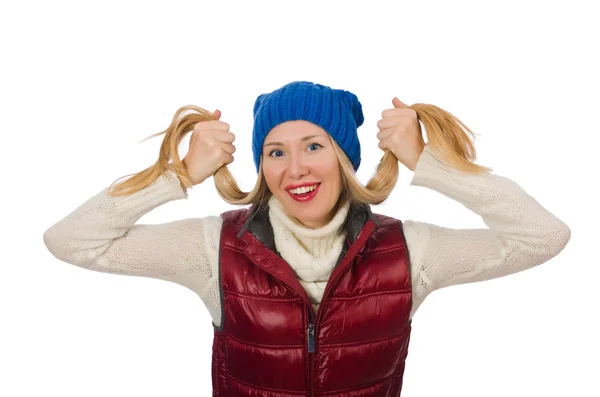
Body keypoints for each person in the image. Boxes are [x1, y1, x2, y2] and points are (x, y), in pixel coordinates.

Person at [43, 80, 571, 396]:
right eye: (276, 151)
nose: (295, 169)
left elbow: (542, 236)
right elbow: (73, 240)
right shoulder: (213, 251)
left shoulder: (410, 255)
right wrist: (178, 174)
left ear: (344, 156)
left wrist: (429, 161)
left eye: (314, 145)